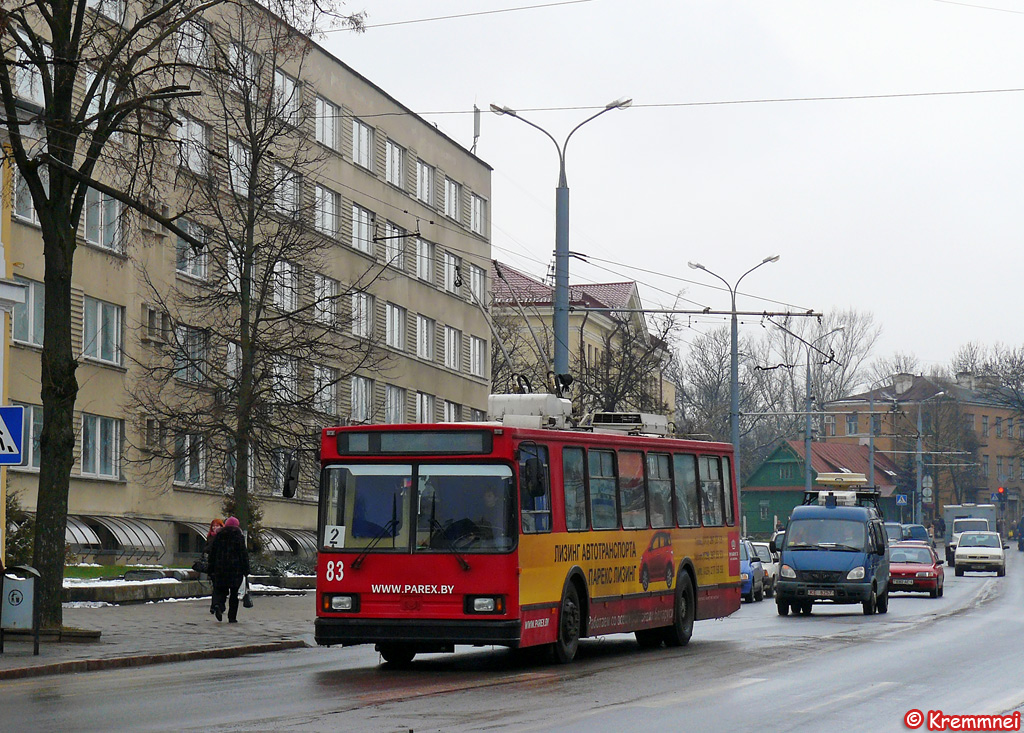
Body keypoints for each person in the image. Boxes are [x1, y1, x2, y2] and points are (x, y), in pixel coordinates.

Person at [207, 516, 250, 623]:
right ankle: (232, 617)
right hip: (236, 570)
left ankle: (219, 606)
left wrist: (211, 568)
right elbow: (243, 555)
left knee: (221, 590)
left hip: (220, 568)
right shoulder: (239, 537)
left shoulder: (219, 536)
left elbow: (212, 553)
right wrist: (246, 570)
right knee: (234, 594)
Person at [204, 518, 224, 614]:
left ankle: (219, 604)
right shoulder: (210, 537)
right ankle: (215, 605)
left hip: (221, 565)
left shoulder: (223, 537)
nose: (214, 527)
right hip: (213, 565)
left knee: (220, 586)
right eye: (213, 526)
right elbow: (206, 549)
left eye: (217, 525)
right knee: (215, 585)